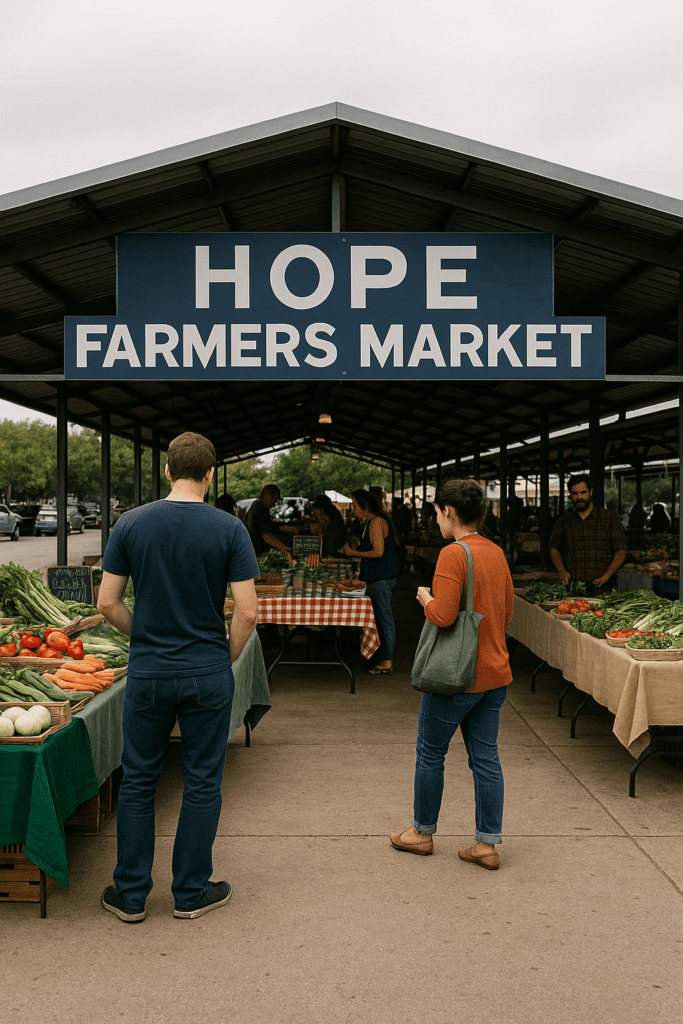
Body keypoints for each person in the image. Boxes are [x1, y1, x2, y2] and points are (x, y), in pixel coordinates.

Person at [96, 432, 259, 922]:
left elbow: (106, 603)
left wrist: (145, 635)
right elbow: (248, 612)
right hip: (206, 672)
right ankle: (190, 893)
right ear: (210, 474)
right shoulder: (230, 529)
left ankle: (130, 895)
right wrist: (224, 656)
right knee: (203, 781)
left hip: (148, 673)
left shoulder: (130, 524)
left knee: (138, 782)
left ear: (167, 471)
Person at [389, 478, 513, 869]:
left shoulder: (453, 554)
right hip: (495, 673)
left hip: (456, 677)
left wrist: (425, 598)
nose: (436, 519)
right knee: (486, 759)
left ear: (448, 511)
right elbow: (507, 612)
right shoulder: (496, 552)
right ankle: (486, 844)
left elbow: (443, 616)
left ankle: (422, 833)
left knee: (430, 753)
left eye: (436, 513)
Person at [343, 489, 399, 675]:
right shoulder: (368, 522)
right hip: (375, 578)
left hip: (382, 578)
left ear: (364, 505)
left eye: (355, 506)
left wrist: (353, 553)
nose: (353, 509)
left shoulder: (376, 522)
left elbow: (378, 552)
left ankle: (387, 661)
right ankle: (379, 656)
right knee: (377, 619)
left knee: (384, 619)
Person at [549, 475, 628, 589]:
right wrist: (561, 571)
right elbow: (553, 548)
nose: (579, 497)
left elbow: (621, 550)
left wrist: (607, 575)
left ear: (590, 492)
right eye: (575, 493)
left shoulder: (609, 517)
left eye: (583, 492)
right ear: (570, 494)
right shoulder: (563, 521)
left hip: (604, 588)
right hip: (572, 588)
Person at [243, 484, 293, 560]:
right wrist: (285, 548)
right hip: (258, 554)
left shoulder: (255, 505)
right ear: (268, 496)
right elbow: (267, 536)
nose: (274, 505)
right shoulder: (261, 510)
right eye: (274, 501)